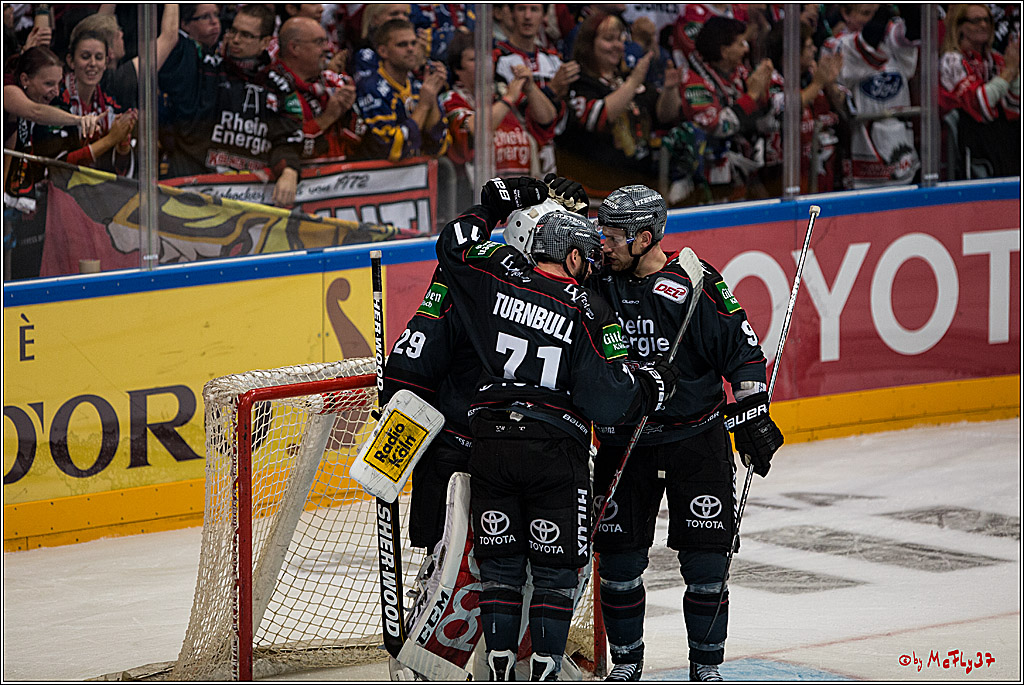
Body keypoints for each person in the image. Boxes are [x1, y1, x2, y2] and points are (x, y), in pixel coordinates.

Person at [434, 176, 678, 681]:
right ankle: (544, 671)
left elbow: (452, 247)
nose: (591, 265)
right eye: (585, 257)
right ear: (570, 258)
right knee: (555, 571)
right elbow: (607, 399)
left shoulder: (497, 272)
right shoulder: (586, 306)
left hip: (492, 445)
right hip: (553, 452)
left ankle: (499, 671)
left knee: (499, 569)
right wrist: (650, 386)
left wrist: (490, 209)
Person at [566, 180, 783, 682]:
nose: (604, 242)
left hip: (696, 440)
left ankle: (706, 669)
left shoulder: (695, 283)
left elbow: (744, 352)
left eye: (615, 235)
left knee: (707, 567)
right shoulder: (595, 281)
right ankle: (625, 668)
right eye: (602, 231)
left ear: (645, 238)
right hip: (625, 442)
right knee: (618, 566)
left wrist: (753, 416)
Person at [157, 3, 303, 207]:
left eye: (246, 35)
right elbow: (169, 42)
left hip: (250, 201)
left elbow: (287, 141)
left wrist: (289, 171)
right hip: (192, 191)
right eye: (233, 31)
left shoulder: (280, 87)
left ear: (265, 42)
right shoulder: (204, 66)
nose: (235, 40)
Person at [557, 10, 677, 193]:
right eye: (608, 39)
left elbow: (664, 115)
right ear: (589, 43)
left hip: (637, 190)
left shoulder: (627, 78)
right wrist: (633, 82)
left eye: (620, 39)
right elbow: (596, 117)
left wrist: (670, 88)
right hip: (592, 192)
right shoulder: (577, 80)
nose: (618, 45)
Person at [442, 30, 557, 206]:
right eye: (473, 60)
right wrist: (508, 99)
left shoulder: (501, 91)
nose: (483, 65)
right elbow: (476, 128)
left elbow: (547, 117)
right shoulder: (452, 99)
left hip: (523, 200)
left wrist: (530, 88)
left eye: (486, 58)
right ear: (458, 69)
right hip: (479, 203)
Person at [675, 15, 774, 202]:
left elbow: (767, 124)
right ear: (724, 51)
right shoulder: (693, 81)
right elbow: (718, 127)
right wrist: (751, 96)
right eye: (739, 43)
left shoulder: (740, 73)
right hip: (708, 183)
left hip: (746, 174)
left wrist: (763, 95)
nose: (746, 48)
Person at [830, 4, 922, 188]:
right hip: (864, 149)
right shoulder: (837, 44)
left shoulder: (889, 36)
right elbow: (868, 41)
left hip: (900, 144)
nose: (869, 19)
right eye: (865, 14)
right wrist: (883, 11)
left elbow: (911, 31)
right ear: (846, 14)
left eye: (873, 14)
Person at [493, 3, 579, 176]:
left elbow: (565, 116)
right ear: (511, 14)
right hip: (517, 155)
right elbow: (523, 114)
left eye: (534, 9)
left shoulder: (555, 60)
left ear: (544, 16)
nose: (527, 16)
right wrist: (552, 90)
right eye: (521, 9)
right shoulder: (498, 58)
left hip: (554, 155)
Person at [939, 4, 1021, 178]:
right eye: (976, 20)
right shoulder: (952, 60)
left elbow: (1015, 107)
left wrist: (1015, 74)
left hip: (1003, 141)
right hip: (971, 142)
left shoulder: (996, 58)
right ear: (960, 27)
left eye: (987, 20)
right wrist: (1008, 73)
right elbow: (979, 103)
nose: (983, 25)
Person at [354, 18, 450, 163]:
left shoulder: (419, 87)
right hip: (379, 180)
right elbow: (392, 150)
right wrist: (423, 106)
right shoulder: (371, 88)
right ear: (383, 51)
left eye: (413, 43)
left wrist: (431, 97)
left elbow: (439, 147)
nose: (411, 49)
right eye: (402, 45)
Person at [268, 15, 359, 160]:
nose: (327, 49)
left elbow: (361, 140)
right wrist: (328, 117)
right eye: (319, 42)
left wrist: (350, 115)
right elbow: (286, 146)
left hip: (344, 177)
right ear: (294, 48)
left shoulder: (333, 82)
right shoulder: (271, 87)